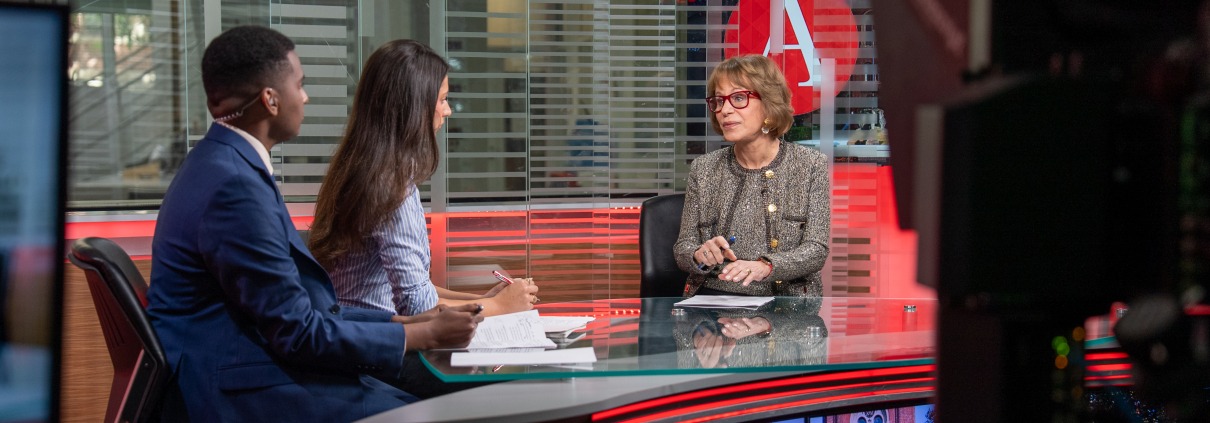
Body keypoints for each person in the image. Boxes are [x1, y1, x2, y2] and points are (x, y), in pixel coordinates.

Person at [146, 26, 483, 422]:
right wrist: (420, 334)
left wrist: (403, 320)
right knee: (442, 415)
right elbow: (298, 332)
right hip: (238, 385)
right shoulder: (234, 187)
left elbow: (300, 310)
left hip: (247, 363)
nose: (304, 97)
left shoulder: (220, 163)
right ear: (270, 100)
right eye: (299, 85)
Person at [309, 39, 538, 318]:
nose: (448, 110)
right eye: (442, 100)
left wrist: (482, 300)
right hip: (377, 346)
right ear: (413, 108)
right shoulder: (390, 186)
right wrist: (501, 307)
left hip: (357, 336)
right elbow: (418, 307)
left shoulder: (361, 169)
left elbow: (420, 289)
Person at [674, 54, 831, 297]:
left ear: (769, 104)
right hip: (712, 306)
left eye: (738, 98)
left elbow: (816, 250)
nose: (724, 110)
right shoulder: (703, 169)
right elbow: (683, 249)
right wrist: (699, 254)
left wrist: (766, 267)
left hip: (786, 310)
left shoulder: (810, 165)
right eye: (718, 101)